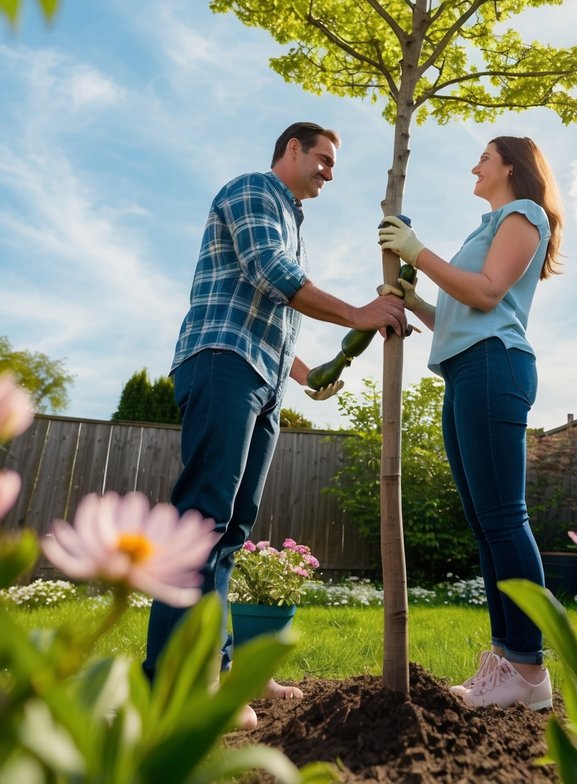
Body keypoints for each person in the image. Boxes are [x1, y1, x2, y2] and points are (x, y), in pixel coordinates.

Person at [145, 122, 407, 728]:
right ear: (292, 149)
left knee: (231, 529)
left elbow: (266, 309)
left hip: (260, 373)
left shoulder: (292, 218)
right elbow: (270, 274)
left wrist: (306, 371)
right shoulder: (253, 191)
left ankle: (220, 668)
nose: (330, 172)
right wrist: (357, 311)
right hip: (222, 360)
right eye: (323, 158)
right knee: (201, 521)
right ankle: (178, 682)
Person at [378, 136, 563, 711]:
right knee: (487, 526)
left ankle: (528, 670)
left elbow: (486, 294)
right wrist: (416, 302)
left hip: (495, 365)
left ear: (511, 166)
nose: (475, 165)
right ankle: (507, 659)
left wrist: (416, 251)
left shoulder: (523, 214)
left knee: (506, 519)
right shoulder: (483, 228)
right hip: (466, 369)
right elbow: (460, 311)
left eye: (485, 156)